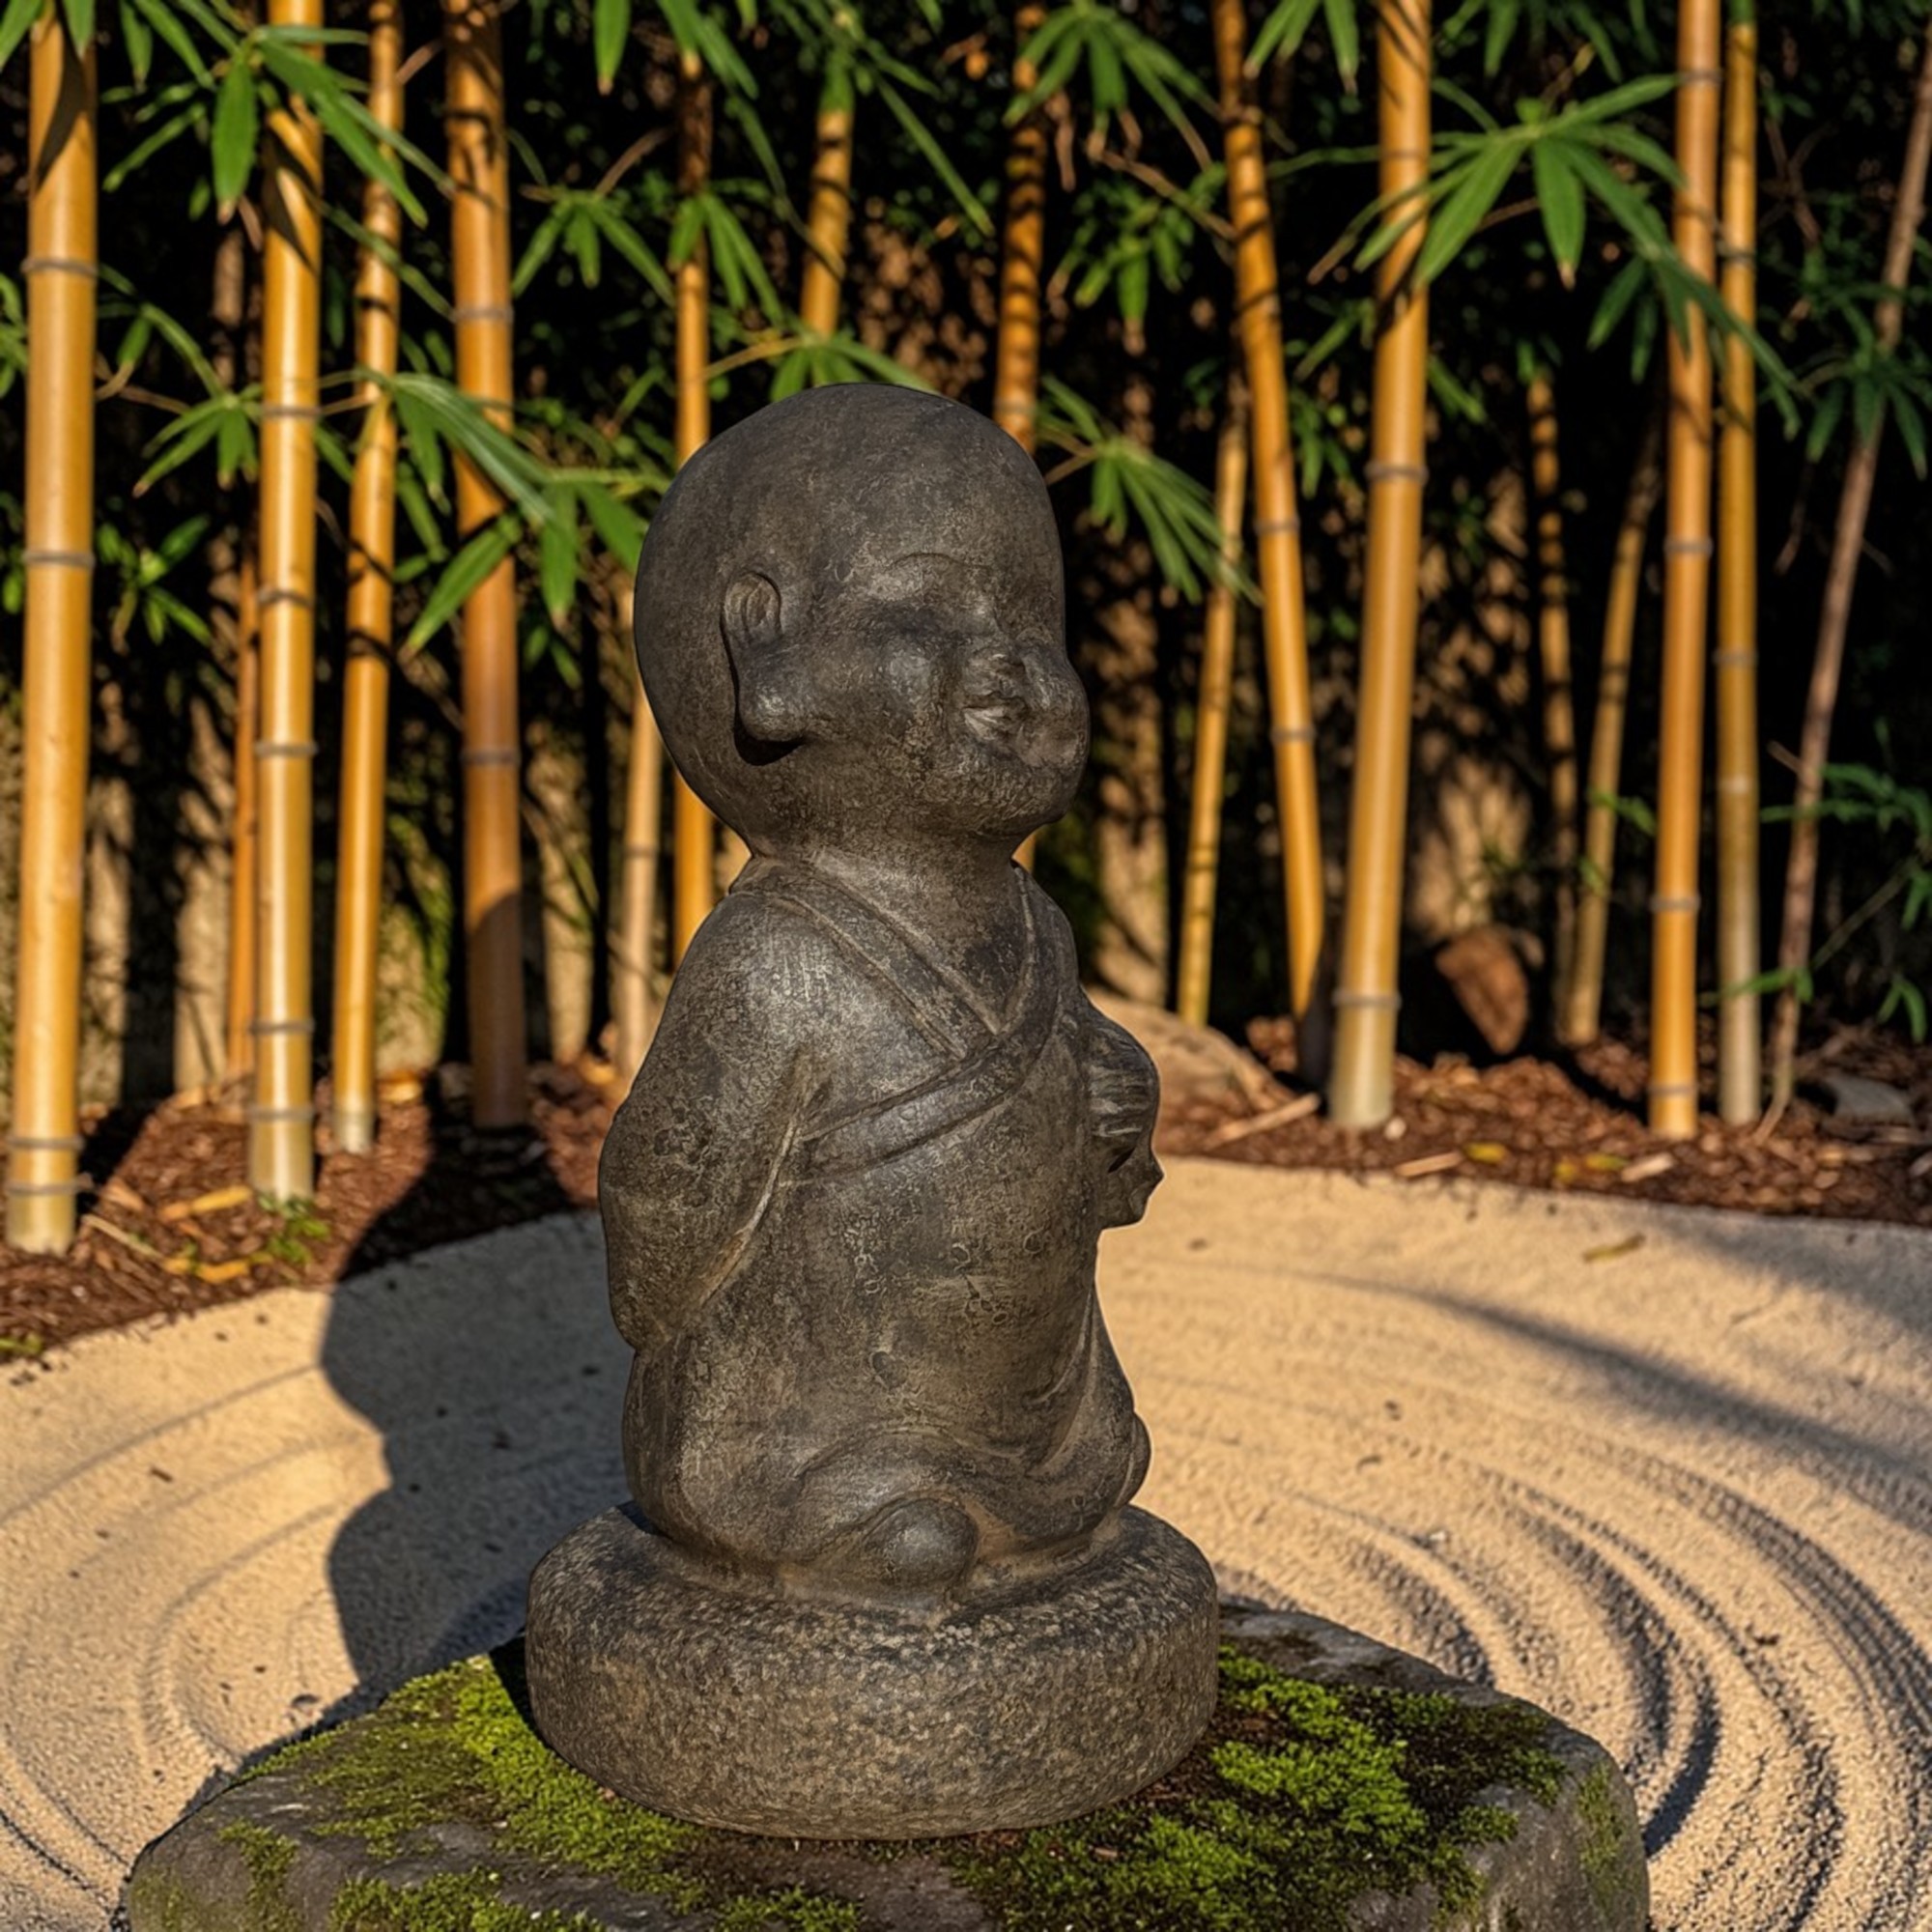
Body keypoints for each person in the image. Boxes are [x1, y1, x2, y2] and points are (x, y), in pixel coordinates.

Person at [602, 384, 1162, 1602]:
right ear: (765, 647)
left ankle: (1025, 1475)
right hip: (814, 1418)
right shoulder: (775, 957)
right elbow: (660, 1206)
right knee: (890, 1523)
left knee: (1105, 1457)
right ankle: (853, 1503)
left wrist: (1111, 1099)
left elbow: (1074, 1102)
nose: (1012, 664)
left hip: (1016, 1393)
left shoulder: (1035, 924)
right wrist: (669, 1242)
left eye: (1033, 620)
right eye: (931, 604)